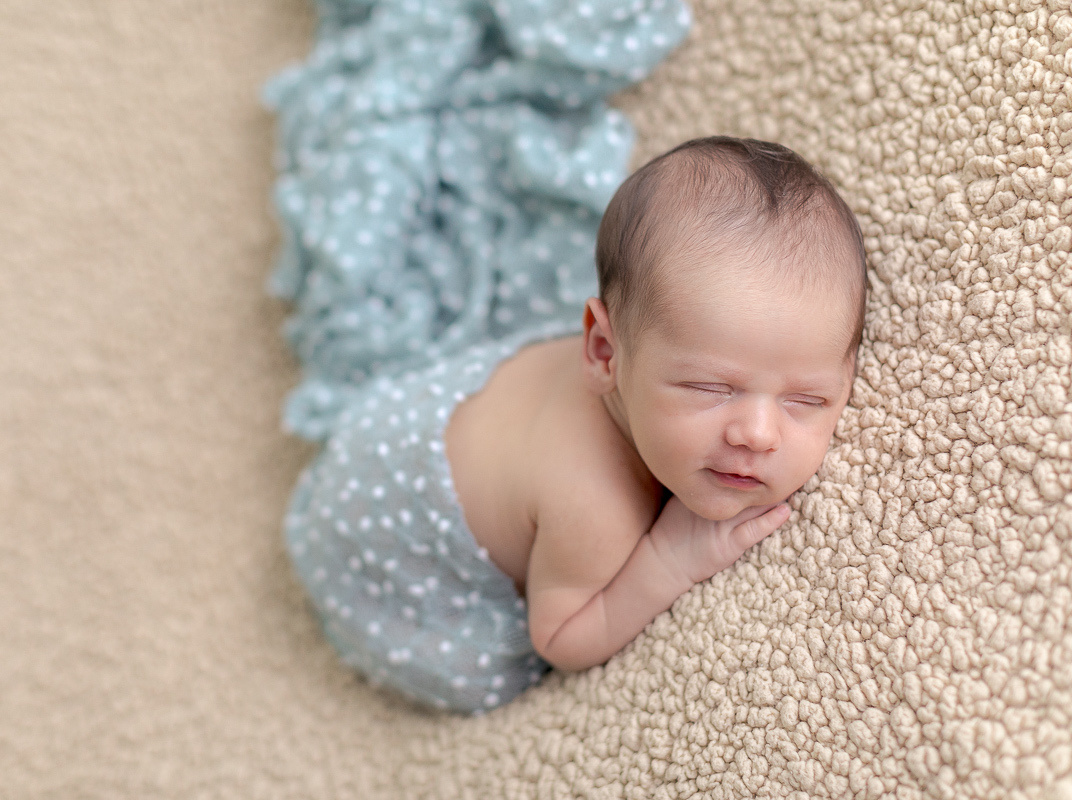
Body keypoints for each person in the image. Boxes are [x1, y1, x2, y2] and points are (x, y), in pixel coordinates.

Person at [282, 136, 867, 713]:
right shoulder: (595, 502)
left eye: (806, 400)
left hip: (391, 429)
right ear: (605, 352)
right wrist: (669, 559)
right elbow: (561, 640)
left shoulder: (647, 358)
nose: (758, 434)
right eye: (709, 388)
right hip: (372, 549)